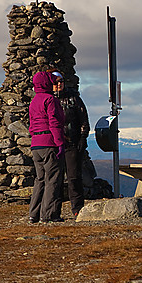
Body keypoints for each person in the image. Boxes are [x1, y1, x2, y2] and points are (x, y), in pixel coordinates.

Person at [28, 68, 66, 222]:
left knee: (40, 180)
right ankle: (48, 215)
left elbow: (31, 125)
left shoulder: (34, 101)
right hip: (49, 143)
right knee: (52, 180)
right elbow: (54, 123)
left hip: (36, 145)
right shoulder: (50, 100)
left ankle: (33, 214)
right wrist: (60, 143)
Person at [54, 77, 90, 216]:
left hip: (72, 143)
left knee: (74, 177)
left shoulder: (73, 99)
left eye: (61, 81)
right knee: (55, 179)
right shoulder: (49, 99)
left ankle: (77, 209)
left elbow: (84, 120)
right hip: (54, 144)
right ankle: (54, 211)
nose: (59, 84)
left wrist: (82, 138)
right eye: (56, 82)